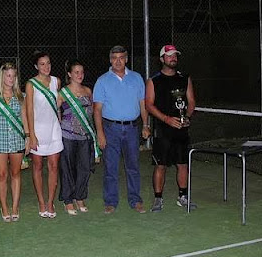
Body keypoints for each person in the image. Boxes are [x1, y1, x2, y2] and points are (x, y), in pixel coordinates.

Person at [93, 45, 150, 214]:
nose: (118, 61)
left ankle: (135, 200)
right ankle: (110, 201)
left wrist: (146, 125)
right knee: (111, 167)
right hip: (111, 128)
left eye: (121, 57)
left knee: (133, 166)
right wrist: (100, 133)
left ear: (126, 59)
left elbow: (142, 104)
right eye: (114, 58)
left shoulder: (137, 78)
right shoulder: (102, 80)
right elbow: (97, 109)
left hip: (132, 129)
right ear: (110, 60)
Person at [145, 44, 196, 212]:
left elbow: (191, 101)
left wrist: (187, 118)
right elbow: (149, 105)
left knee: (183, 164)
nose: (173, 58)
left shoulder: (184, 78)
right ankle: (158, 199)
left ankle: (183, 197)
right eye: (169, 55)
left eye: (175, 55)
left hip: (181, 130)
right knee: (161, 165)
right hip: (163, 130)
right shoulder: (154, 81)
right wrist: (166, 119)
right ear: (162, 59)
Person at [0, 63, 30, 222]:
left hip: (17, 139)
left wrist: (27, 137)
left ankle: (14, 207)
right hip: (0, 140)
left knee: (16, 174)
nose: (11, 78)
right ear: (2, 77)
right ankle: (4, 207)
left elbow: (24, 117)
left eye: (13, 75)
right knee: (2, 175)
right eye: (8, 75)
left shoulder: (22, 97)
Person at [57, 60, 98, 215]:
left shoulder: (88, 91)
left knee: (84, 168)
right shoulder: (63, 93)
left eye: (81, 72)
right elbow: (56, 112)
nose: (80, 75)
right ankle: (68, 200)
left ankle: (80, 197)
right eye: (76, 72)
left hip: (85, 136)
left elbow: (92, 112)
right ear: (69, 74)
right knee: (67, 168)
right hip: (68, 135)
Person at [25, 51, 63, 218]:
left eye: (48, 63)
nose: (46, 67)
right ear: (36, 66)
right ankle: (41, 201)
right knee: (38, 166)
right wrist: (31, 134)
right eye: (42, 64)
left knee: (54, 166)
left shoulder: (56, 81)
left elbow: (58, 106)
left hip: (54, 128)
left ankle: (50, 202)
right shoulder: (31, 84)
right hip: (38, 130)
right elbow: (28, 111)